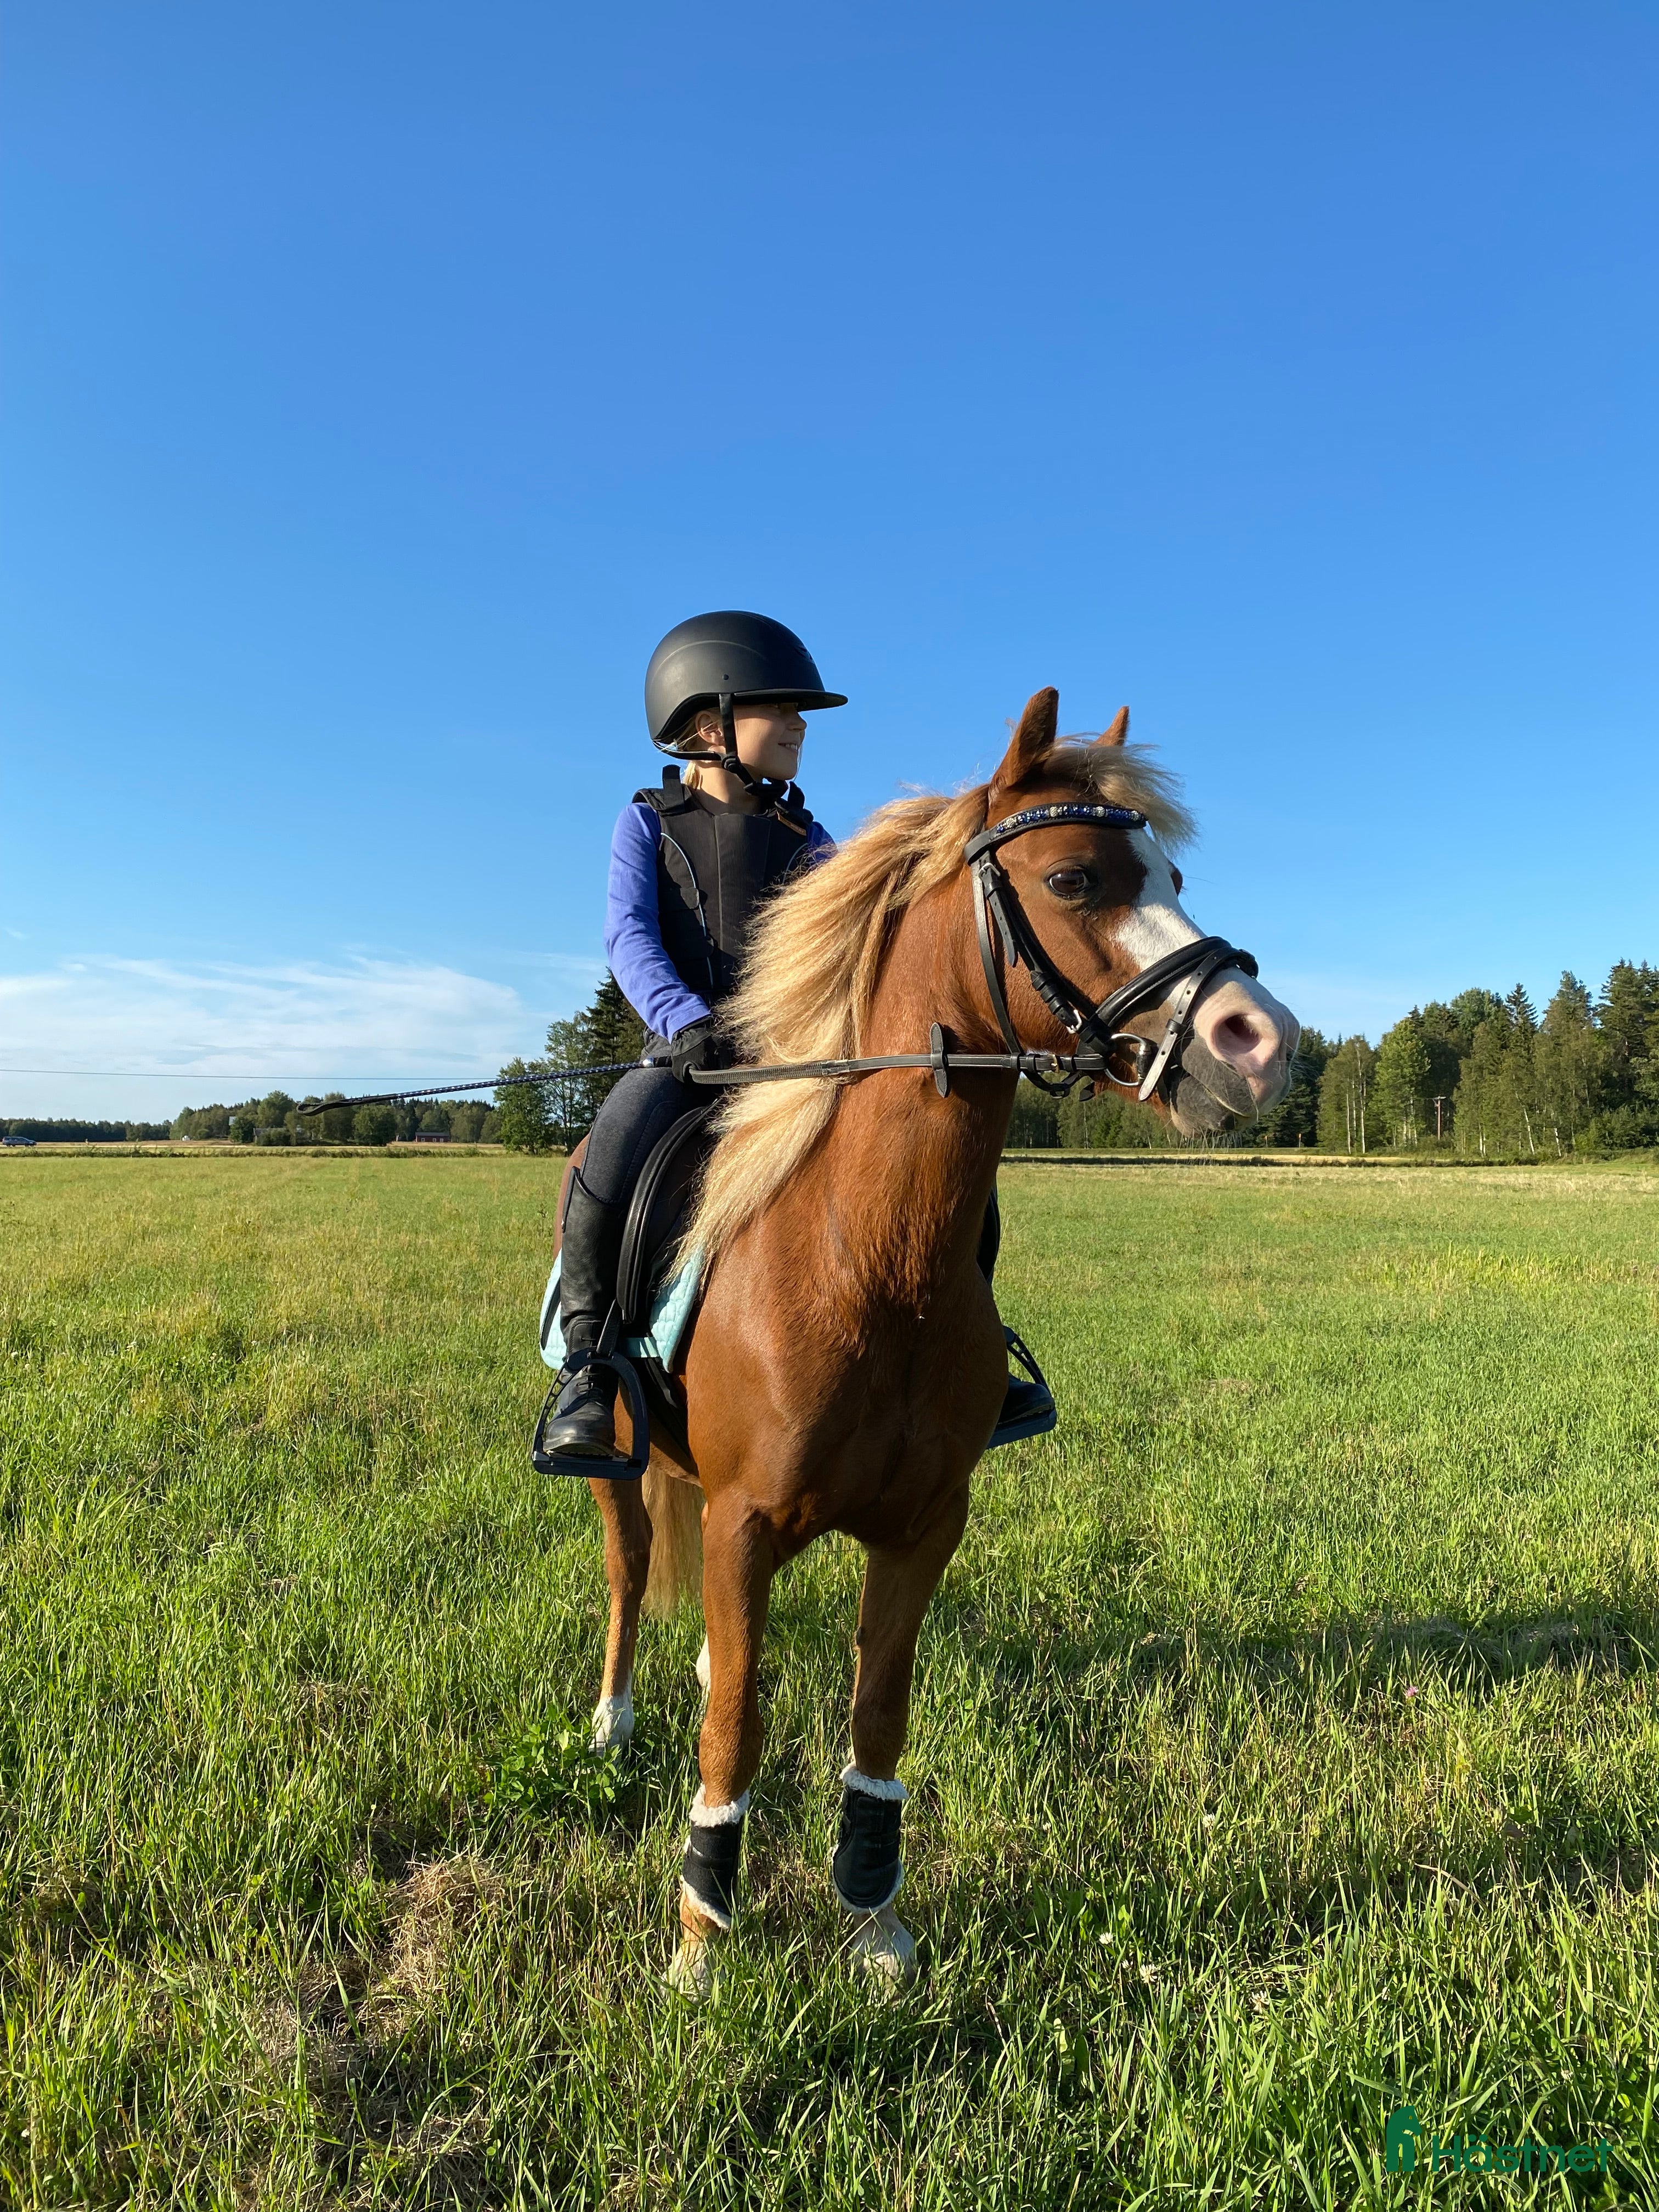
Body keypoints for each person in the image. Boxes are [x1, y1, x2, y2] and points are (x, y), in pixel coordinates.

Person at [538, 609, 1055, 1461]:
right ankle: (591, 1372)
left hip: (795, 1063)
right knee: (612, 1154)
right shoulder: (647, 824)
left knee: (961, 1176)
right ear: (709, 726)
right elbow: (628, 937)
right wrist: (686, 1023)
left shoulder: (807, 840)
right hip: (688, 1062)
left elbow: (858, 935)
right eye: (780, 710)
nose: (799, 726)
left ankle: (976, 1357)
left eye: (800, 714)